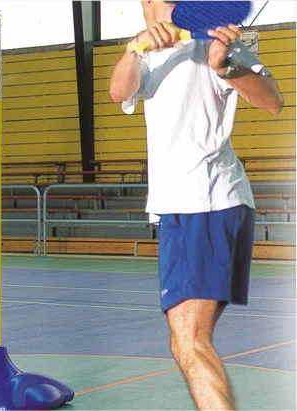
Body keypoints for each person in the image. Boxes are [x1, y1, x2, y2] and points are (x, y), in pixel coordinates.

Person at [108, 1, 284, 409]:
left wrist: (226, 67)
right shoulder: (146, 54)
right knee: (186, 341)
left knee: (190, 340)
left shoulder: (213, 43)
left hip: (204, 202)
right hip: (183, 208)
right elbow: (119, 91)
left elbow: (272, 99)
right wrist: (135, 47)